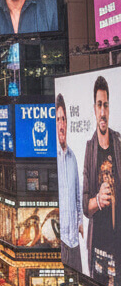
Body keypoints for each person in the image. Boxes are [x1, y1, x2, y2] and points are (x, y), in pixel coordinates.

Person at [81, 75, 121, 286]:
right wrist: (98, 199)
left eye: (106, 105)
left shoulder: (119, 143)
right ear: (94, 109)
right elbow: (85, 206)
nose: (103, 112)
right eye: (99, 105)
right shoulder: (90, 148)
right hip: (97, 249)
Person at [56, 93, 83, 272]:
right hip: (62, 242)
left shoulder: (73, 157)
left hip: (75, 243)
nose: (61, 123)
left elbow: (78, 198)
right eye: (58, 119)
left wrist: (81, 223)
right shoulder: (54, 157)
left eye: (64, 118)